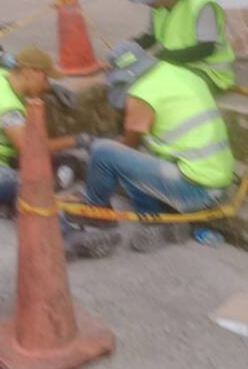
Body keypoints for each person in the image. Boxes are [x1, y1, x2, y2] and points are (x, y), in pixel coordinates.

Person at [0, 47, 116, 257]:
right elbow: (33, 151)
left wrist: (52, 88)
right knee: (29, 185)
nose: (47, 86)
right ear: (30, 73)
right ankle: (68, 236)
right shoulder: (6, 108)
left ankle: (12, 203)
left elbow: (13, 65)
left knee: (67, 162)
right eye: (45, 79)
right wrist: (78, 139)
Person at [75, 42, 235, 254]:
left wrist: (95, 148)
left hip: (196, 190)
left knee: (104, 152)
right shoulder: (180, 73)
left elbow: (127, 146)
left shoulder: (142, 94)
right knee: (137, 157)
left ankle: (96, 213)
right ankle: (157, 220)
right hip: (218, 180)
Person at [125, 0, 235, 92]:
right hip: (177, 64)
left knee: (161, 90)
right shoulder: (158, 7)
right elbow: (151, 37)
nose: (146, 2)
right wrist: (128, 51)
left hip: (209, 71)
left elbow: (206, 49)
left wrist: (161, 56)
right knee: (131, 79)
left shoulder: (201, 5)